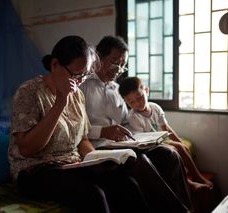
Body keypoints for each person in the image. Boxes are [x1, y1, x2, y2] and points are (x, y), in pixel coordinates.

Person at [8, 35, 150, 213]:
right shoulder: (29, 92)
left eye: (85, 75)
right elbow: (27, 149)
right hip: (35, 171)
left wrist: (97, 161)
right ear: (55, 65)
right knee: (93, 195)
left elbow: (82, 140)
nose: (79, 81)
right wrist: (60, 103)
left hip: (71, 164)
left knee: (125, 183)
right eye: (76, 75)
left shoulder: (77, 95)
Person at [80, 35, 193, 211]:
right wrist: (102, 131)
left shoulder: (117, 90)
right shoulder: (83, 86)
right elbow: (77, 127)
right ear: (98, 57)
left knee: (170, 155)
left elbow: (126, 122)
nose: (119, 69)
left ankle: (187, 207)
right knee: (140, 161)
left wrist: (144, 138)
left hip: (121, 144)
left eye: (123, 64)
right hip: (97, 147)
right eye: (115, 62)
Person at [118, 76, 214, 192]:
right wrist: (173, 144)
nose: (137, 103)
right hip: (148, 145)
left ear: (146, 91)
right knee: (176, 148)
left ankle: (197, 176)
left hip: (160, 140)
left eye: (139, 97)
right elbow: (142, 141)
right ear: (126, 102)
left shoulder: (155, 108)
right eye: (131, 102)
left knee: (182, 147)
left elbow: (166, 129)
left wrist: (179, 141)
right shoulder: (133, 117)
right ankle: (188, 183)